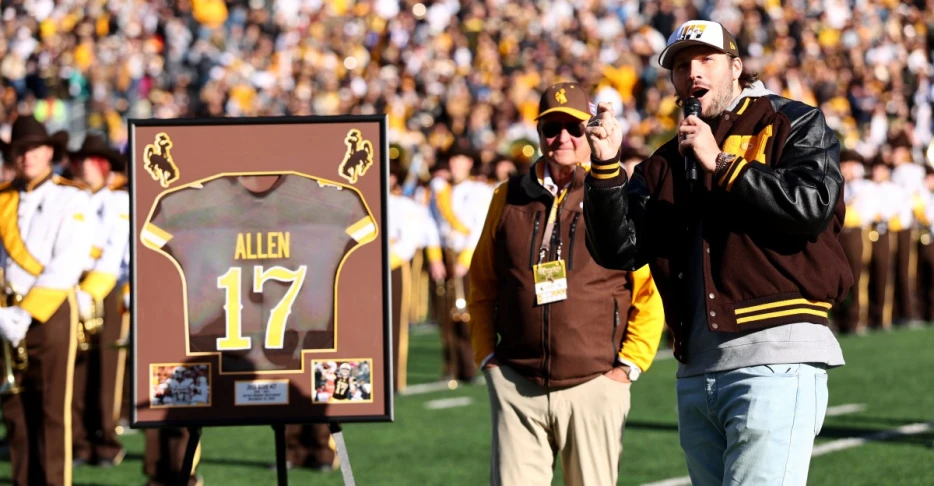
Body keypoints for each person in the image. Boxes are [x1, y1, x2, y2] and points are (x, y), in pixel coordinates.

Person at [582, 21, 852, 486]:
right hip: (696, 369)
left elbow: (812, 205)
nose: (693, 73)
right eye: (682, 65)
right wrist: (606, 168)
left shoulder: (791, 120)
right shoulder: (665, 160)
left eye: (706, 60)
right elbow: (618, 250)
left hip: (775, 356)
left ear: (736, 67)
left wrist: (724, 163)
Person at [468, 82, 666, 486]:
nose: (563, 139)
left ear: (590, 131)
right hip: (518, 381)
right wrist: (487, 356)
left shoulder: (615, 192)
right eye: (551, 128)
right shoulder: (507, 197)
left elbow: (649, 288)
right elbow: (483, 281)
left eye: (574, 128)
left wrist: (628, 367)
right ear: (539, 133)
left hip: (596, 380)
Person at [0, 114, 93, 486]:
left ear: (50, 152)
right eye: (20, 150)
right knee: (15, 411)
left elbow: (68, 261)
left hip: (50, 312)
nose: (27, 156)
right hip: (6, 314)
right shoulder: (4, 199)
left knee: (53, 409)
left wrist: (25, 313)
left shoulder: (70, 196)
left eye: (34, 148)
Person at [69, 134, 131, 468]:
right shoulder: (75, 198)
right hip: (73, 287)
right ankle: (78, 440)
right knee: (78, 370)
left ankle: (106, 442)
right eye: (81, 161)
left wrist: (88, 290)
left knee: (107, 370)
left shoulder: (118, 201)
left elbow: (113, 253)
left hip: (106, 290)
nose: (83, 166)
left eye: (91, 161)